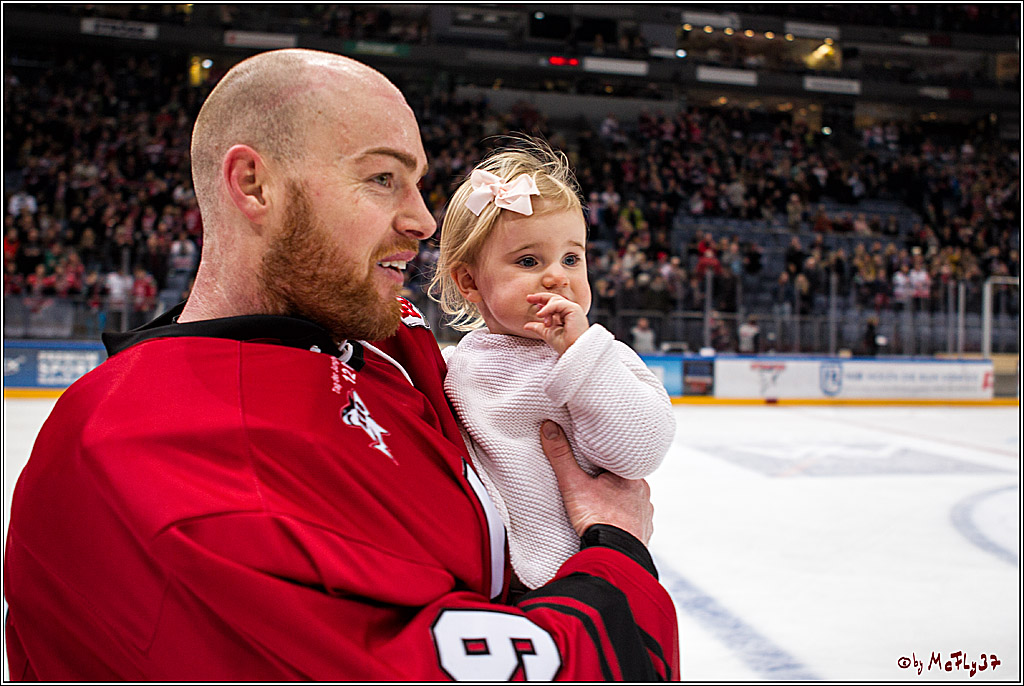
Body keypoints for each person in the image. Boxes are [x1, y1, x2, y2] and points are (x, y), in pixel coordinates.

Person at [4, 49, 679, 681]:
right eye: (382, 178)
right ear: (254, 184)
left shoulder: (380, 331)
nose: (421, 220)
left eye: (416, 182)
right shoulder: (154, 466)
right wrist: (615, 551)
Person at [429, 139, 674, 590]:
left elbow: (643, 449)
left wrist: (580, 355)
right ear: (469, 281)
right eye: (528, 260)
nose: (557, 275)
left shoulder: (600, 357)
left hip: (586, 579)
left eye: (571, 257)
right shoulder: (455, 366)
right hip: (491, 582)